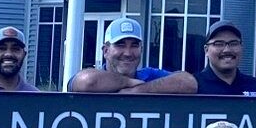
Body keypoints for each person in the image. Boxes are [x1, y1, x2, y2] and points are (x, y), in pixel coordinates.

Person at [69, 17, 198, 94]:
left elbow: (189, 82)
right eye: (120, 45)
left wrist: (138, 90)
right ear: (105, 51)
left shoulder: (148, 76)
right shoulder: (96, 76)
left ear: (141, 50)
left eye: (134, 45)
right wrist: (128, 82)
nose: (128, 53)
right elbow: (86, 81)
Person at [195, 20, 256, 96]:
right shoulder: (195, 87)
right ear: (206, 50)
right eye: (219, 44)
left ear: (241, 47)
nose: (227, 50)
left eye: (233, 43)